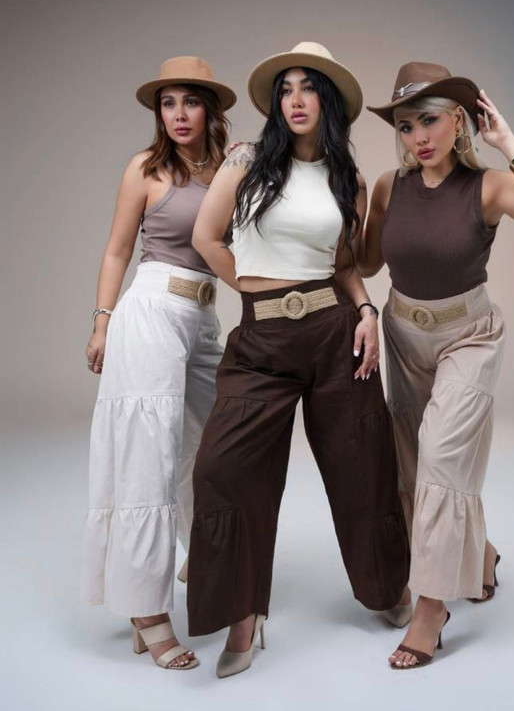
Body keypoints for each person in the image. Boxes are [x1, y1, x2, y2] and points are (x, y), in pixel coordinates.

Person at [186, 42, 409, 678]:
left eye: (308, 88)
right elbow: (206, 237)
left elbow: (345, 265)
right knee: (224, 470)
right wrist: (257, 293)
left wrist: (365, 310)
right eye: (285, 89)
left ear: (328, 101)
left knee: (362, 462)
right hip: (260, 342)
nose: (295, 100)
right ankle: (243, 613)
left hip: (336, 334)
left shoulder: (347, 179)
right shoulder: (246, 162)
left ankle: (387, 587)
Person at [360, 62, 514, 669]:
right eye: (405, 126)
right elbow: (366, 264)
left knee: (442, 461)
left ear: (458, 121)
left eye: (429, 120)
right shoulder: (388, 187)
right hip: (403, 335)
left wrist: (509, 142)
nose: (417, 137)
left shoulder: (487, 187)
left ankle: (431, 609)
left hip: (469, 337)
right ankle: (481, 556)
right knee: (413, 466)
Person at [81, 56, 236, 670]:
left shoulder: (228, 170)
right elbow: (117, 250)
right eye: (167, 103)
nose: (178, 114)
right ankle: (147, 612)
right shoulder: (145, 169)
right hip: (150, 311)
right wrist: (102, 322)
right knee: (150, 458)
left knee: (216, 445)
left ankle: (205, 555)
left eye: (189, 101)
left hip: (203, 317)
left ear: (209, 109)